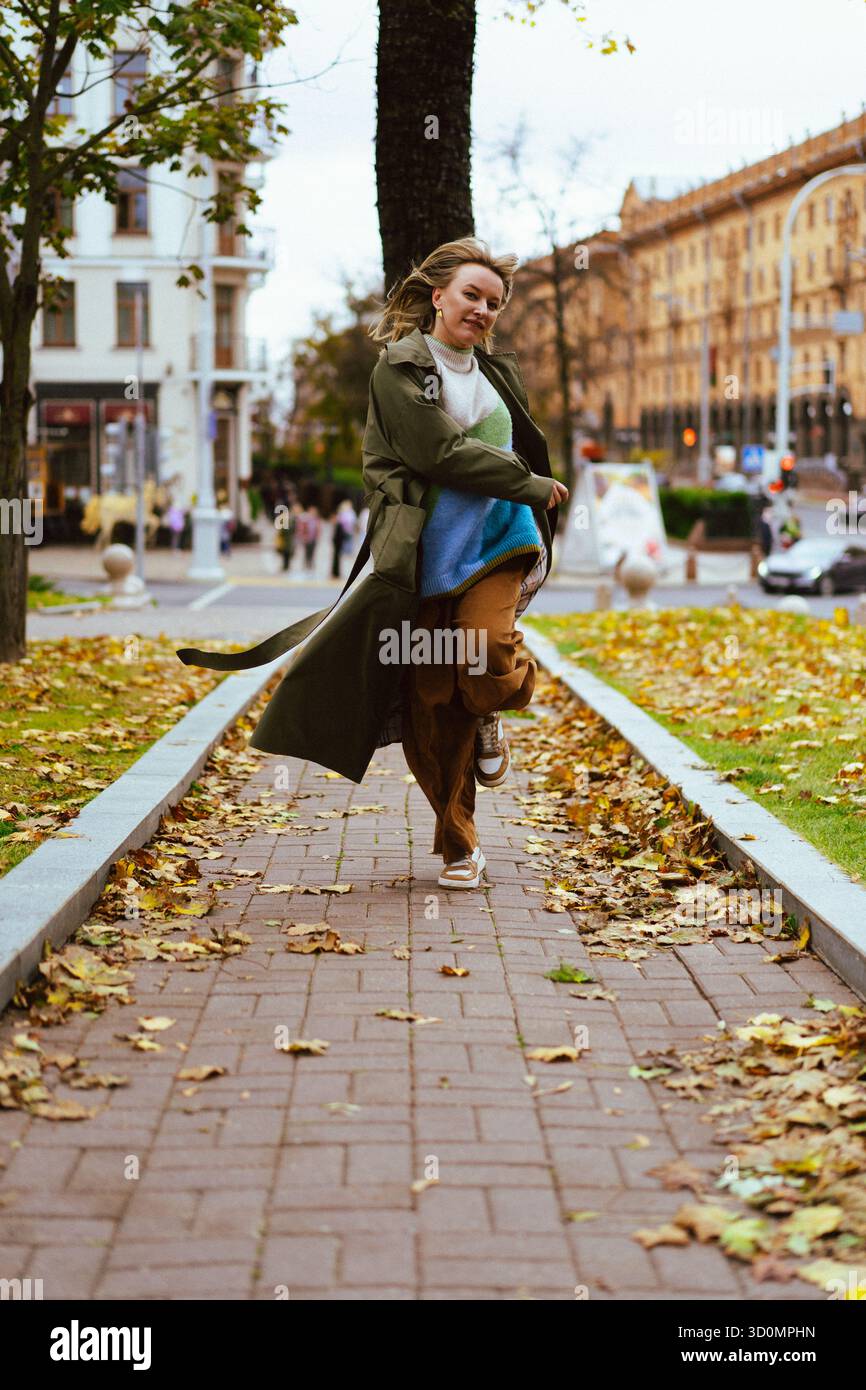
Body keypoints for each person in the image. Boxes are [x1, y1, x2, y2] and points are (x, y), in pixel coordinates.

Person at [175, 235, 564, 895]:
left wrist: (526, 494)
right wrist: (525, 478)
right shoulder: (399, 371)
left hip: (500, 538)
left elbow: (510, 444)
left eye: (495, 302)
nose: (483, 310)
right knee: (434, 706)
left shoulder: (496, 371)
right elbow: (437, 454)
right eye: (473, 295)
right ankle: (459, 847)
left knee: (488, 644)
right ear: (438, 296)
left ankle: (498, 703)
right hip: (423, 556)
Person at [331, 498, 357, 578]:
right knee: (345, 553)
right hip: (344, 535)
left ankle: (342, 571)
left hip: (346, 534)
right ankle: (341, 571)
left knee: (346, 553)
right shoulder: (344, 514)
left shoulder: (346, 514)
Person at [297, 504, 321, 571]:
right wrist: (303, 536)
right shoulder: (306, 519)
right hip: (307, 538)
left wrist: (318, 536)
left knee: (312, 552)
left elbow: (318, 529)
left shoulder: (316, 519)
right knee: (307, 552)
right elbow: (302, 528)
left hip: (313, 539)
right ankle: (306, 565)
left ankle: (310, 564)